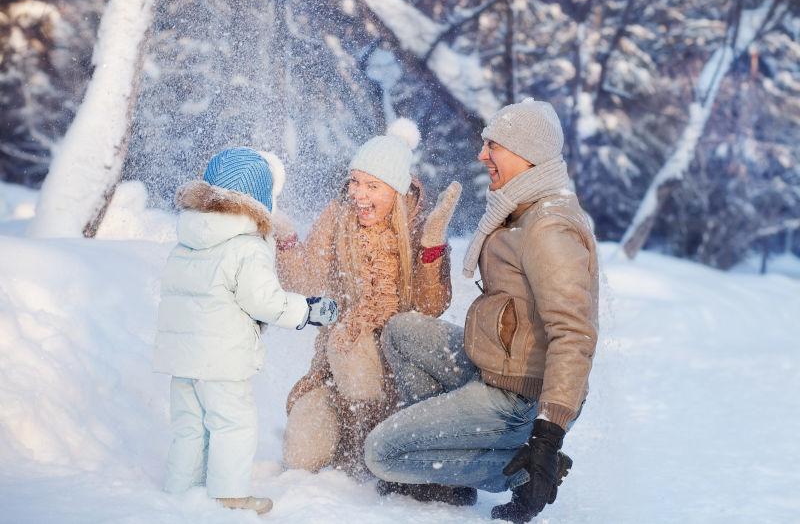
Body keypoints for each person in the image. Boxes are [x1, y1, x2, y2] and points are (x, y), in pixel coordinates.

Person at [364, 99, 599, 522]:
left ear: (527, 155)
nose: (482, 154)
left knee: (380, 453)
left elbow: (575, 334)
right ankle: (442, 465)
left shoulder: (549, 227)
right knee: (402, 331)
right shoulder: (522, 208)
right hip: (494, 367)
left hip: (521, 398)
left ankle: (517, 471)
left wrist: (546, 440)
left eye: (494, 145)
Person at [153, 147, 338, 515]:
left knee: (190, 427)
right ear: (259, 202)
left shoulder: (187, 241)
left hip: (182, 359)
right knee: (233, 424)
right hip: (221, 360)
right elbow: (266, 302)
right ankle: (229, 495)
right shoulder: (246, 247)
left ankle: (179, 491)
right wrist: (308, 311)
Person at [277, 119, 462, 477]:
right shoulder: (339, 216)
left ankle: (372, 445)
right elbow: (306, 280)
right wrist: (285, 240)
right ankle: (348, 431)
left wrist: (431, 244)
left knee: (354, 344)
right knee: (302, 454)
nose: (359, 195)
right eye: (356, 182)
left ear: (395, 190)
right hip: (336, 366)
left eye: (372, 186)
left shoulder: (419, 225)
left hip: (397, 366)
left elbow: (431, 307)